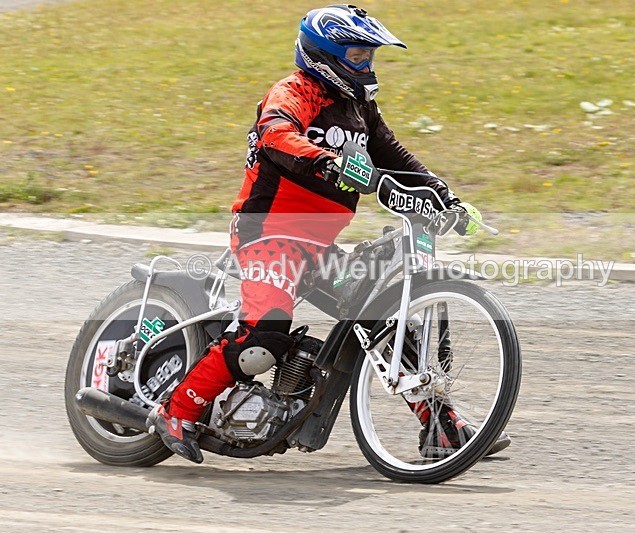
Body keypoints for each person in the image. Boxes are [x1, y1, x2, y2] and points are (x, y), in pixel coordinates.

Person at [147, 4, 507, 463]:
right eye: (357, 55)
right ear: (324, 56)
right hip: (268, 234)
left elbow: (396, 158)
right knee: (263, 337)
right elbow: (276, 133)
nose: (367, 65)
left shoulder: (359, 109)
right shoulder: (294, 90)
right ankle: (176, 411)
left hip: (318, 247)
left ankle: (442, 427)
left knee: (383, 319)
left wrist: (445, 196)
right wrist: (330, 163)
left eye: (370, 56)